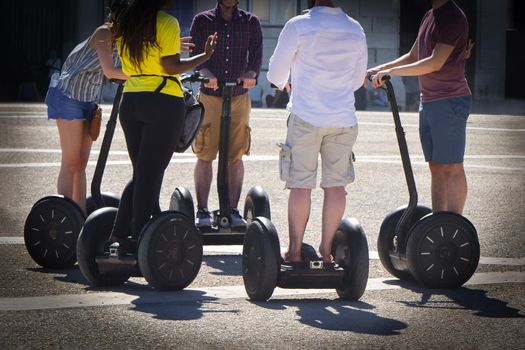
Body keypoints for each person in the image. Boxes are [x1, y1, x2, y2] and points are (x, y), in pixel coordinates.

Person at [107, 0, 217, 254]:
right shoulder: (167, 22)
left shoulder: (127, 22)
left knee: (143, 173)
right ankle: (135, 239)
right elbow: (170, 66)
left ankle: (119, 231)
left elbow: (132, 62)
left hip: (132, 100)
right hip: (162, 101)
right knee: (149, 173)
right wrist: (204, 57)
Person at [267, 0, 367, 264]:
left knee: (301, 185)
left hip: (305, 116)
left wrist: (284, 82)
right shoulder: (355, 29)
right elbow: (358, 80)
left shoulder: (298, 25)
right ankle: (326, 251)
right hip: (343, 118)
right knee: (336, 187)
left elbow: (276, 73)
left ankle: (295, 251)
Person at [369, 0, 472, 214]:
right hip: (429, 101)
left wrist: (393, 73)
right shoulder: (430, 16)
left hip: (449, 101)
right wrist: (378, 69)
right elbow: (414, 56)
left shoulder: (453, 18)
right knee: (435, 166)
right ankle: (438, 223)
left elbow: (435, 62)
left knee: (452, 166)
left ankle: (453, 226)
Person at [44, 0, 128, 214]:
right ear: (117, 15)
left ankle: (78, 219)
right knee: (71, 162)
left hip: (88, 101)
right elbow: (110, 71)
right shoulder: (104, 33)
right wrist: (147, 74)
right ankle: (64, 215)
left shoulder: (125, 39)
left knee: (81, 164)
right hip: (68, 96)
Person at [189, 0, 263, 229]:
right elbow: (194, 54)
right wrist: (205, 72)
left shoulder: (251, 22)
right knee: (205, 153)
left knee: (236, 155)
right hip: (210, 96)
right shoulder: (202, 21)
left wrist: (251, 73)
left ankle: (232, 209)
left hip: (239, 95)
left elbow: (256, 57)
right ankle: (201, 210)